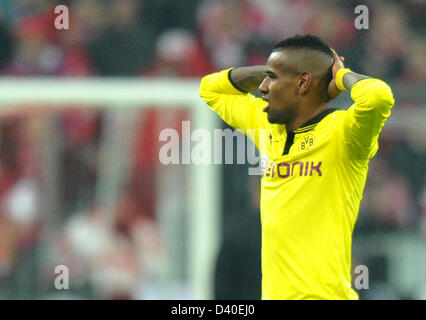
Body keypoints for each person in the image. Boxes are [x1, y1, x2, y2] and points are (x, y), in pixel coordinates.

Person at [199, 34, 395, 300]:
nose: (263, 87)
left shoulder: (344, 134)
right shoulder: (266, 124)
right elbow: (210, 88)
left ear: (303, 82)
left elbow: (378, 97)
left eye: (273, 78)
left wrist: (340, 76)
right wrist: (270, 71)